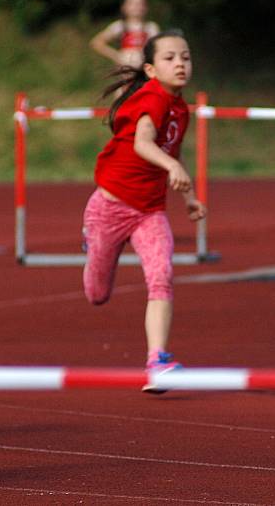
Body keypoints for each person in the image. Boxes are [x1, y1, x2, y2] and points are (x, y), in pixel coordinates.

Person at [83, 29, 206, 393]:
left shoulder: (181, 107)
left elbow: (173, 151)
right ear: (151, 70)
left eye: (185, 57)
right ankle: (93, 245)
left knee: (161, 275)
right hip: (110, 206)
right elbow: (143, 143)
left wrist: (189, 197)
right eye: (170, 58)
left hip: (150, 211)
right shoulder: (151, 97)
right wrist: (171, 168)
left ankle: (157, 360)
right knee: (97, 294)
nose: (180, 64)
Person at [90, 0, 160, 69]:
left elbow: (158, 48)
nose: (137, 7)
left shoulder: (151, 27)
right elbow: (97, 42)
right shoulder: (119, 26)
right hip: (125, 71)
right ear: (124, 7)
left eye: (140, 3)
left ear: (146, 7)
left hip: (144, 71)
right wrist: (116, 56)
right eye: (132, 3)